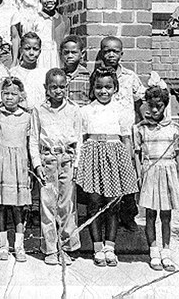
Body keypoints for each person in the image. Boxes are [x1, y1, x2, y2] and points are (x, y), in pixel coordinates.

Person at [76, 67, 138, 268]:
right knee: (94, 203)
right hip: (92, 156)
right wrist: (79, 164)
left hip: (115, 156)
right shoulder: (85, 111)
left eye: (108, 87)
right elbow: (81, 139)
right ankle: (97, 248)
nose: (104, 91)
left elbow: (126, 140)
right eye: (99, 87)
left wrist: (128, 165)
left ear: (115, 88)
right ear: (93, 88)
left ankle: (110, 247)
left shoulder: (120, 110)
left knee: (112, 204)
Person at [30, 69, 82, 266]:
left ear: (66, 87)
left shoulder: (74, 109)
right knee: (48, 205)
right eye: (53, 87)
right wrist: (37, 165)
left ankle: (66, 247)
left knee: (66, 205)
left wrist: (76, 165)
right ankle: (50, 249)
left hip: (67, 159)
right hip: (48, 159)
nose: (58, 91)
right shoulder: (38, 110)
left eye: (62, 87)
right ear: (46, 88)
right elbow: (34, 139)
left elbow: (79, 139)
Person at [133, 76, 179, 272]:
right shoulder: (141, 130)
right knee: (150, 215)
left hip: (167, 173)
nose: (155, 110)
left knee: (166, 216)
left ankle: (166, 251)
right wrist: (140, 176)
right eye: (151, 106)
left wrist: (178, 180)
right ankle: (153, 251)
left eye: (159, 106)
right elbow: (137, 155)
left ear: (165, 106)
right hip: (149, 173)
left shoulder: (174, 129)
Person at [98, 35, 145, 231]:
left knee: (128, 175)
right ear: (101, 53)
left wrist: (143, 123)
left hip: (125, 135)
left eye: (115, 51)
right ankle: (108, 217)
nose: (111, 54)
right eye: (107, 50)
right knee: (106, 177)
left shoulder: (130, 77)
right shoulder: (99, 77)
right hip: (106, 134)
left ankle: (128, 215)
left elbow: (140, 101)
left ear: (121, 54)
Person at [0, 76, 32, 262]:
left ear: (20, 96)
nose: (9, 97)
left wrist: (29, 167)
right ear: (0, 95)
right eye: (6, 93)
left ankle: (19, 245)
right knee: (2, 207)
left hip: (20, 165)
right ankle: (3, 245)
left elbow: (31, 144)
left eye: (13, 94)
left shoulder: (27, 117)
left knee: (18, 207)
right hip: (2, 163)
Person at [22, 0, 70, 70]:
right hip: (39, 61)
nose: (49, 0)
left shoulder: (64, 21)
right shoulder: (33, 19)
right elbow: (27, 42)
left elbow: (65, 44)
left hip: (57, 60)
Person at [10, 32, 48, 111]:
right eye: (27, 49)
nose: (31, 53)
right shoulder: (13, 73)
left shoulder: (45, 74)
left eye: (35, 49)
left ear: (40, 51)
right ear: (21, 50)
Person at [61, 34, 90, 108]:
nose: (70, 56)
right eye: (66, 52)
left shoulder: (88, 77)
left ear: (82, 54)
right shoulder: (59, 76)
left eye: (74, 52)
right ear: (61, 54)